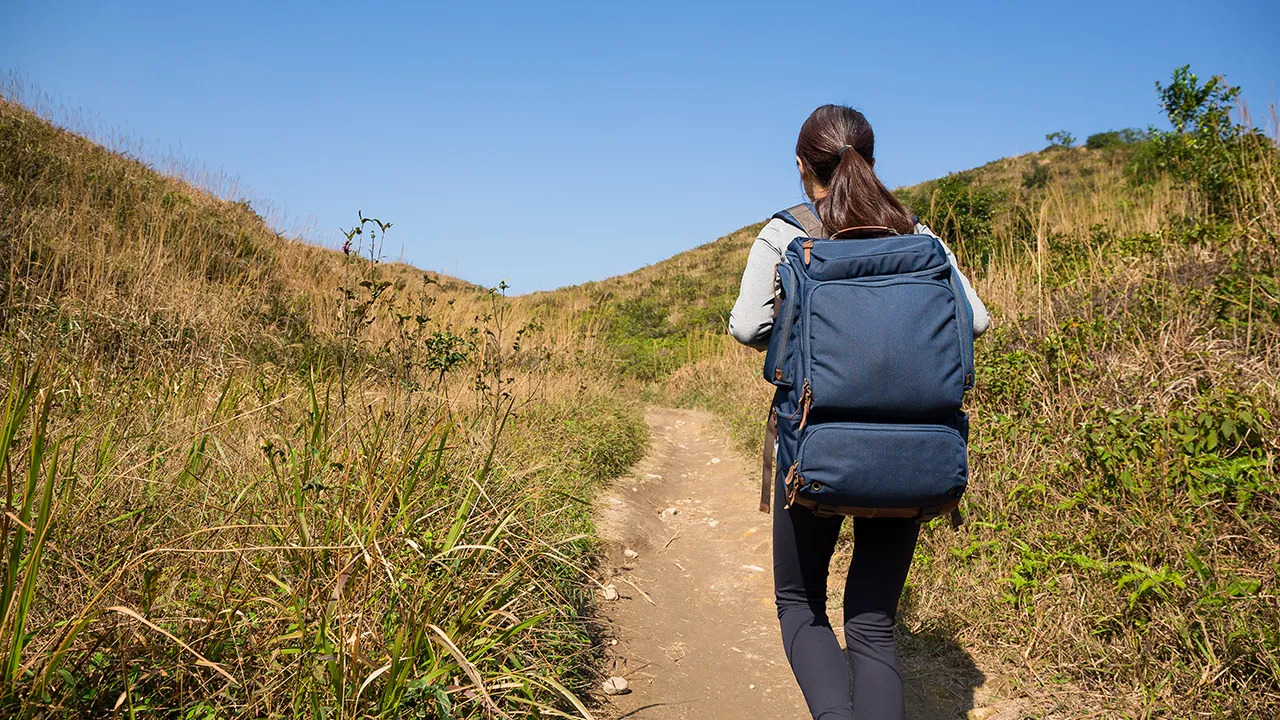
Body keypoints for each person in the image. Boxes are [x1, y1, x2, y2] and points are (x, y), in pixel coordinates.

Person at [727, 104, 990, 720]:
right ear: (871, 162)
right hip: (912, 452)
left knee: (800, 604)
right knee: (872, 622)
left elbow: (745, 328)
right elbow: (975, 321)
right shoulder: (919, 236)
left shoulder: (787, 232)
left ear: (801, 165)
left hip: (814, 445)